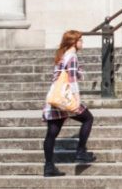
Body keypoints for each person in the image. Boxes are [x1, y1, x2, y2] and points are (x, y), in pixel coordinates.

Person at [41, 29, 94, 177]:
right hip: (65, 97)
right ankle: (81, 151)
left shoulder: (62, 56)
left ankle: (49, 166)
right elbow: (72, 80)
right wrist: (77, 99)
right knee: (88, 118)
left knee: (51, 133)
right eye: (80, 40)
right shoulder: (72, 56)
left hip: (55, 98)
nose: (82, 43)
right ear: (74, 42)